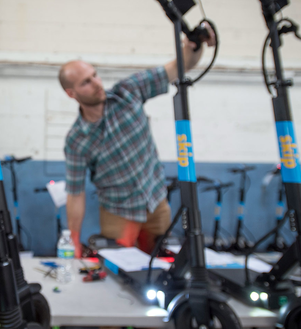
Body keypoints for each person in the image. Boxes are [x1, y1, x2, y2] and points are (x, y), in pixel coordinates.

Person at [60, 26, 216, 258]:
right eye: (86, 82)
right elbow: (75, 193)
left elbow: (178, 67)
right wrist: (74, 241)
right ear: (71, 93)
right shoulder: (76, 140)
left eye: (95, 75)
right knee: (121, 275)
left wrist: (193, 46)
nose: (96, 83)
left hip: (156, 203)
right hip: (118, 212)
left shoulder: (128, 92)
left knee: (163, 264)